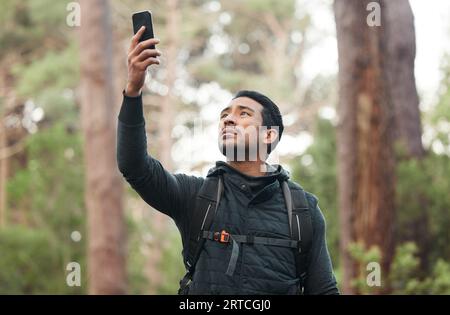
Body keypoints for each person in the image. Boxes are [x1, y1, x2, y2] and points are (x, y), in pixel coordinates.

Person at [117, 26, 339, 295]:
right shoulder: (195, 196)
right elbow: (134, 166)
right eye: (224, 114)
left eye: (243, 114)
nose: (228, 119)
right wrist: (133, 91)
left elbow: (323, 290)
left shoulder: (303, 210)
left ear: (269, 135)